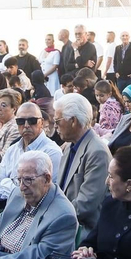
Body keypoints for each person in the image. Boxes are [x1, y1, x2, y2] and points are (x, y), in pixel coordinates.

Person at [53, 92, 110, 230]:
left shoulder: (97, 152)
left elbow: (85, 204)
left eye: (57, 121)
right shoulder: (68, 147)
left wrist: (51, 219)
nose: (55, 126)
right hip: (63, 222)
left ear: (73, 121)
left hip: (83, 231)